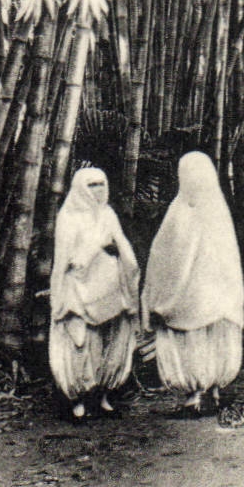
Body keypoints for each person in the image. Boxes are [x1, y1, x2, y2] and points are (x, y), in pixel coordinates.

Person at [142, 151, 244, 415]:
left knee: (194, 339)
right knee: (210, 338)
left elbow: (165, 257)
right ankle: (212, 391)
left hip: (194, 297)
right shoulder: (216, 212)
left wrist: (160, 297)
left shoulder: (182, 212)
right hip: (216, 297)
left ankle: (197, 394)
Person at [49, 167, 140, 420]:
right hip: (78, 289)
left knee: (110, 341)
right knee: (80, 341)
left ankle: (103, 397)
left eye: (102, 184)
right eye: (92, 185)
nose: (98, 189)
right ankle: (78, 400)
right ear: (80, 188)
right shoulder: (68, 217)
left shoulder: (108, 214)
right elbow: (64, 260)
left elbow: (122, 245)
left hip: (109, 287)